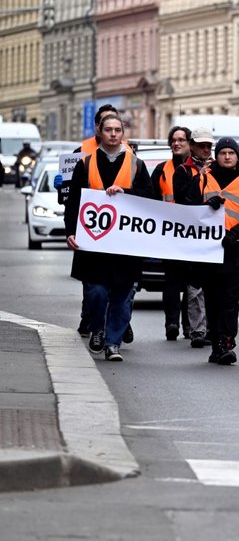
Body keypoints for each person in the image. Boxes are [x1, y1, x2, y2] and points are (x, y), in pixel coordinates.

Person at [64, 114, 152, 362]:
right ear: (100, 133)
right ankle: (97, 329)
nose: (113, 134)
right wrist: (70, 231)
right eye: (109, 130)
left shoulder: (136, 164)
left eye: (117, 130)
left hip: (125, 245)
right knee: (96, 292)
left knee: (123, 296)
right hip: (94, 243)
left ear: (122, 133)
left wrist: (127, 192)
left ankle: (113, 343)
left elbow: (150, 197)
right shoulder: (86, 163)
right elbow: (74, 203)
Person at [181, 137, 239, 365]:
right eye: (223, 153)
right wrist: (206, 207)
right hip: (209, 251)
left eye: (231, 152)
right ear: (216, 156)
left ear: (237, 155)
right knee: (213, 299)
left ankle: (228, 342)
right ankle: (217, 342)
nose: (227, 157)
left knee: (230, 299)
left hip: (237, 250)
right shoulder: (202, 179)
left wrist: (236, 233)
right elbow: (187, 210)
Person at [171, 127, 215, 348]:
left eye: (209, 146)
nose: (206, 150)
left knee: (213, 285)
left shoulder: (218, 168)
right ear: (192, 146)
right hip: (192, 235)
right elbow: (183, 198)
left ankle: (212, 329)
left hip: (214, 238)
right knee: (194, 286)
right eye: (201, 146)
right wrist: (201, 175)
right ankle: (197, 330)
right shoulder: (182, 171)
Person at [151, 126, 195, 341]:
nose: (177, 143)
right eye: (174, 140)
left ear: (190, 144)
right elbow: (148, 201)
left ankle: (188, 324)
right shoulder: (161, 170)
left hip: (193, 235)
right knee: (171, 281)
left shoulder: (198, 170)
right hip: (169, 234)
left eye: (182, 140)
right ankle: (171, 323)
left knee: (190, 282)